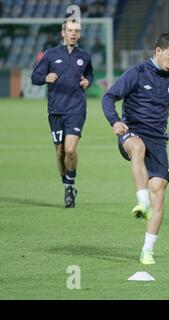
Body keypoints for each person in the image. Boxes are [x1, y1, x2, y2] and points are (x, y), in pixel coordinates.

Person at [102, 32, 169, 265]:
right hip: (131, 132)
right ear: (158, 51)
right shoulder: (136, 73)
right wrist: (115, 121)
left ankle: (147, 250)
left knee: (160, 190)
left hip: (158, 140)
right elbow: (109, 97)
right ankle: (141, 201)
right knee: (138, 147)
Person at [31, 19, 94, 208]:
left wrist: (87, 82)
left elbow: (90, 74)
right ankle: (67, 185)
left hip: (76, 108)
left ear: (79, 34)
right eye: (70, 30)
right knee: (59, 151)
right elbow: (35, 77)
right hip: (55, 109)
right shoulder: (51, 54)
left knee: (70, 149)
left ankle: (70, 185)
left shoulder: (84, 56)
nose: (74, 34)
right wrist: (45, 78)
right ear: (63, 33)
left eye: (77, 31)